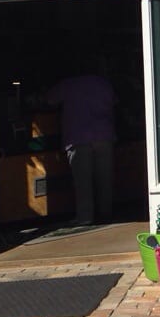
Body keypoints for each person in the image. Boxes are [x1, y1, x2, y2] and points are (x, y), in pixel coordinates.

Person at [47, 66, 116, 226]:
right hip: (103, 135)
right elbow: (114, 102)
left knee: (82, 182)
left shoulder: (67, 84)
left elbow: (49, 100)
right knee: (105, 178)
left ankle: (85, 217)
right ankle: (106, 213)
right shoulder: (103, 83)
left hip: (78, 137)